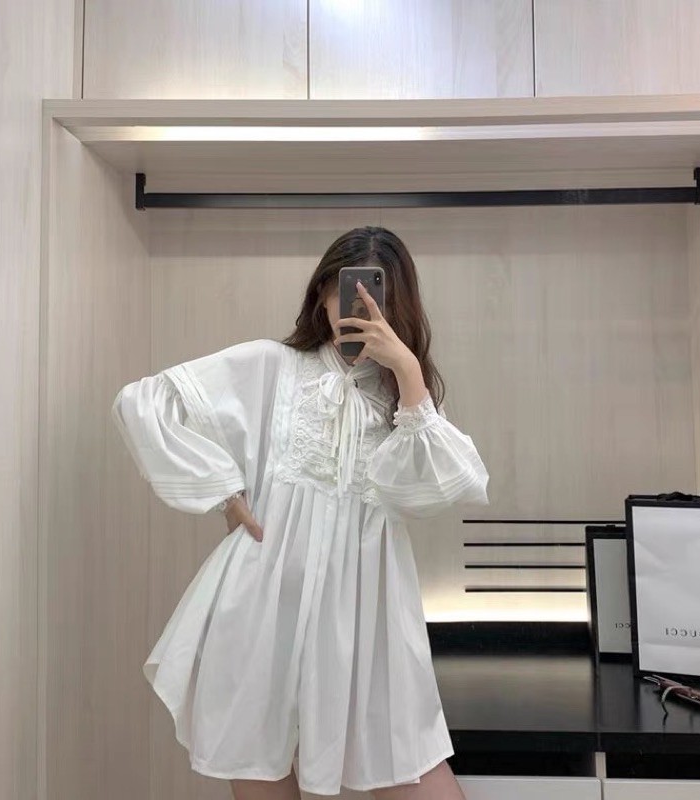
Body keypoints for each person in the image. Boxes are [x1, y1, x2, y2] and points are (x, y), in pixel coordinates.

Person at [111, 226, 490, 799]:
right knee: (258, 764)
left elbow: (441, 487)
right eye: (345, 294)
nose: (359, 310)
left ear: (400, 306)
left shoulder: (404, 400)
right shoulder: (273, 366)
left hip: (367, 621)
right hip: (263, 610)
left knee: (415, 770)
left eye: (376, 298)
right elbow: (146, 402)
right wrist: (224, 491)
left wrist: (409, 371)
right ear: (320, 294)